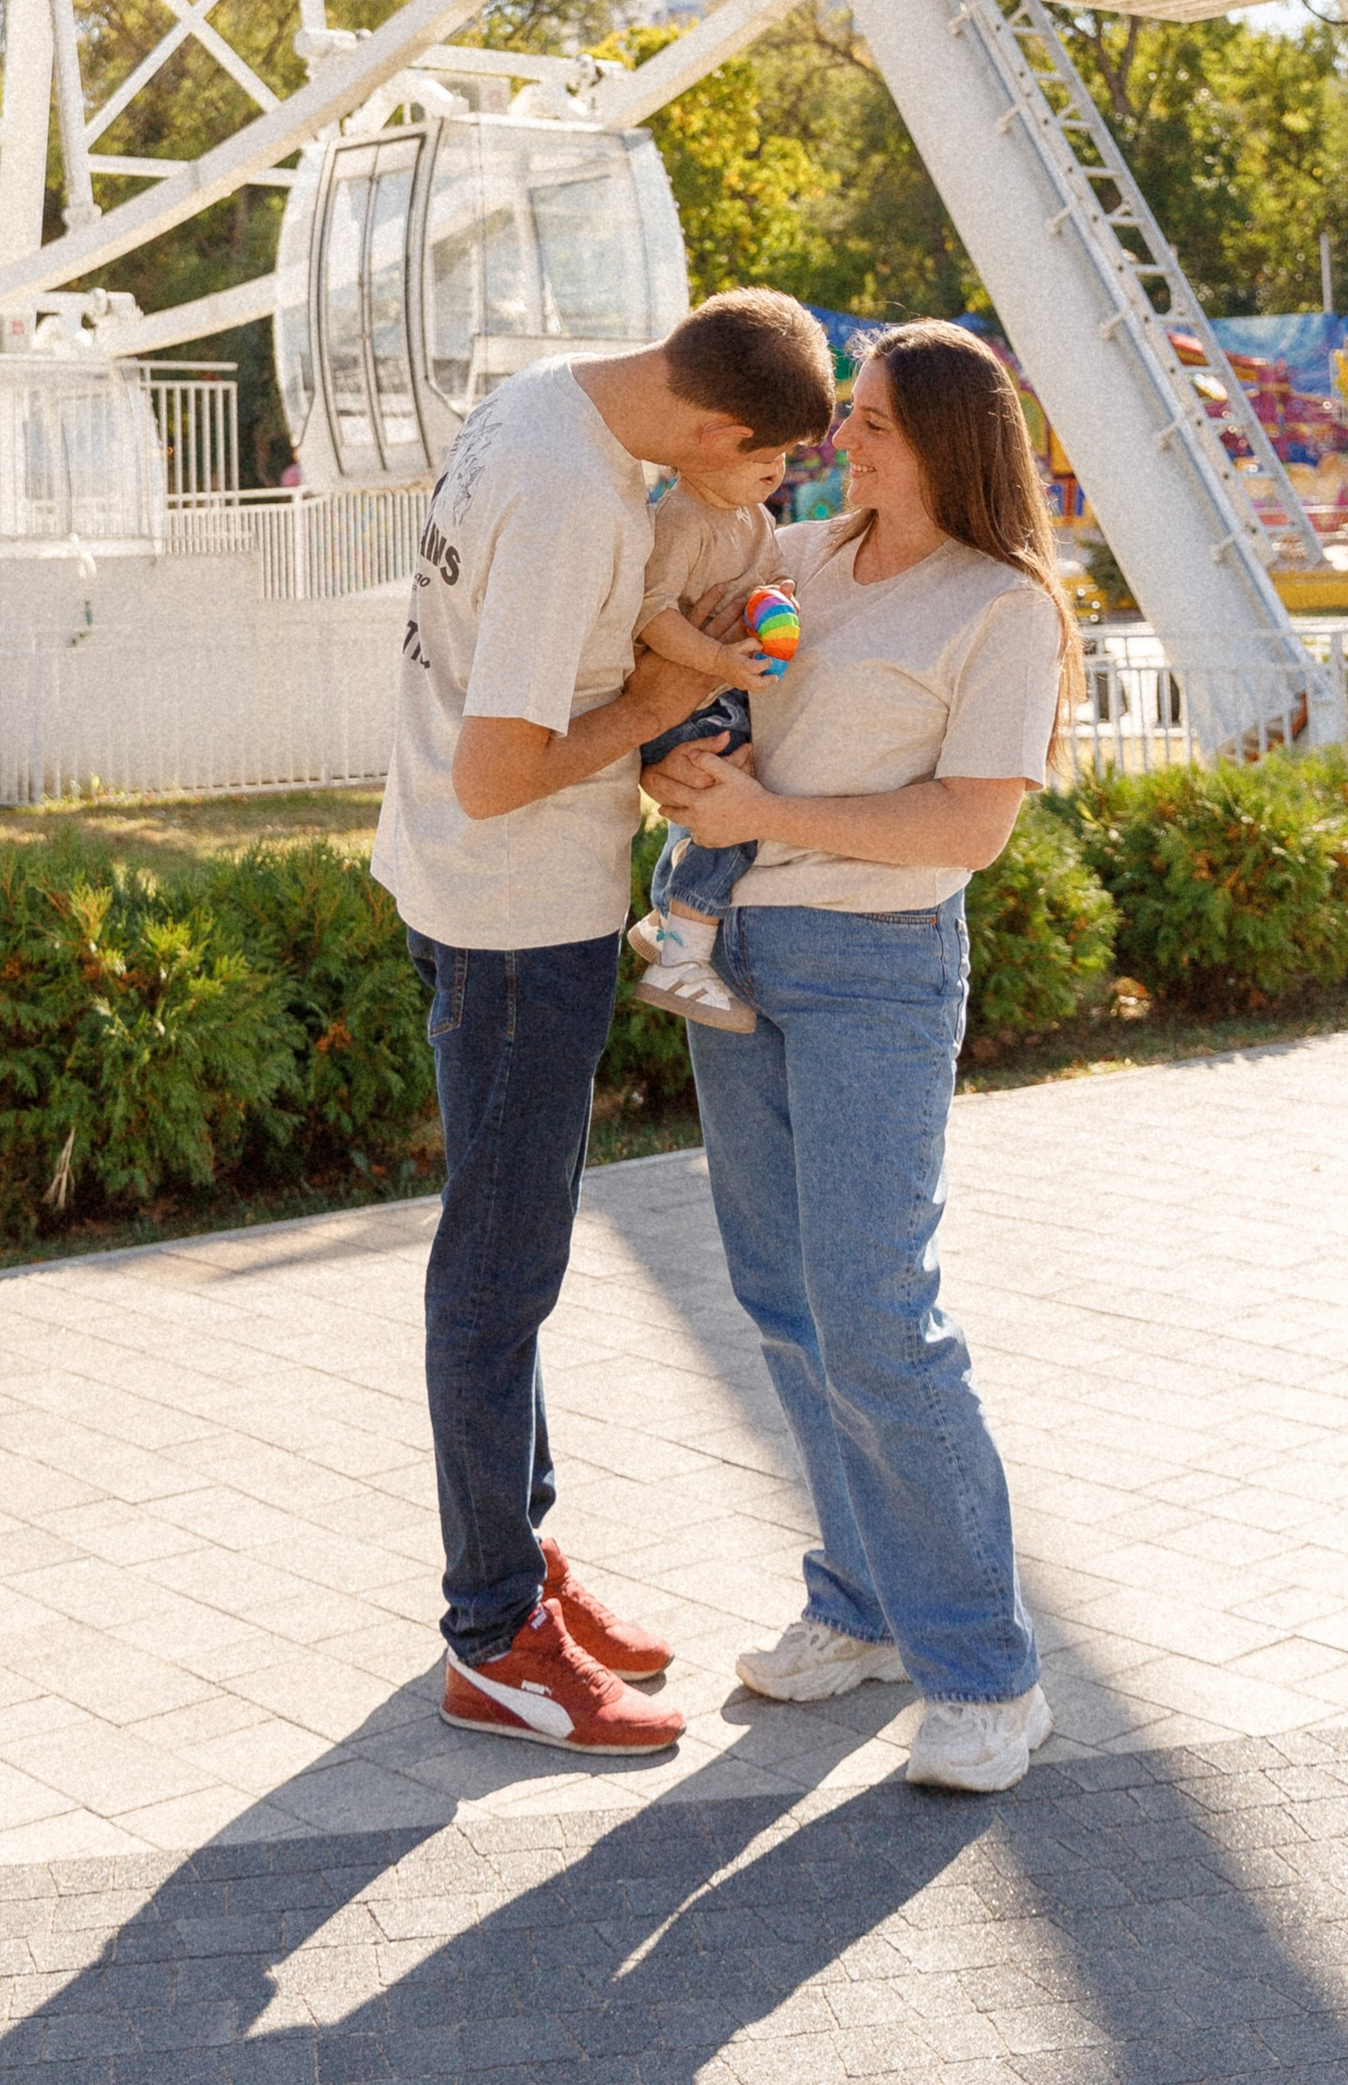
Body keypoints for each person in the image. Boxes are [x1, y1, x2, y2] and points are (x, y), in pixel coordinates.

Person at [372, 287, 839, 1758]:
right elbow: (499, 773)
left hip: (452, 892)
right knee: (498, 1278)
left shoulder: (546, 400)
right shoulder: (581, 501)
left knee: (506, 1262)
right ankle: (495, 1634)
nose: (778, 496)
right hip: (517, 913)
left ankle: (523, 1560)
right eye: (773, 467)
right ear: (717, 427)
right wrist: (652, 700)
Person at [646, 319, 1074, 1796]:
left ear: (951, 440)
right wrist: (681, 768)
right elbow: (713, 705)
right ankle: (864, 1604)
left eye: (877, 420)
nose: (846, 440)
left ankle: (989, 1680)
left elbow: (968, 830)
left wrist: (763, 815)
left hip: (877, 975)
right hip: (741, 960)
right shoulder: (807, 562)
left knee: (880, 1318)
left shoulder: (1002, 611)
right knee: (783, 1300)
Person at [622, 464, 799, 1037]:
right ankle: (681, 958)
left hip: (723, 696)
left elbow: (774, 582)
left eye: (784, 451)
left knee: (713, 810)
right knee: (733, 819)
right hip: (690, 700)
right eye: (760, 451)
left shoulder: (758, 515)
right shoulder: (682, 517)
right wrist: (721, 662)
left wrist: (777, 604)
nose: (774, 467)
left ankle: (664, 915)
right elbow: (653, 614)